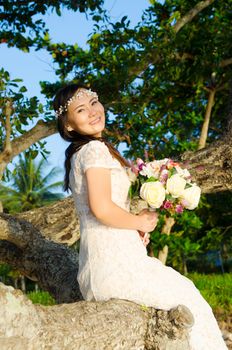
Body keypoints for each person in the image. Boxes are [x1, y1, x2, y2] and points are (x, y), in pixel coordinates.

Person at [53, 83, 227, 350]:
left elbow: (105, 209)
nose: (92, 111)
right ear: (69, 125)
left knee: (188, 297)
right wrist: (139, 222)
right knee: (190, 299)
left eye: (94, 103)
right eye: (80, 109)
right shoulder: (94, 151)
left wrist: (133, 230)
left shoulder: (92, 150)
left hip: (110, 263)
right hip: (113, 268)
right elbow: (100, 209)